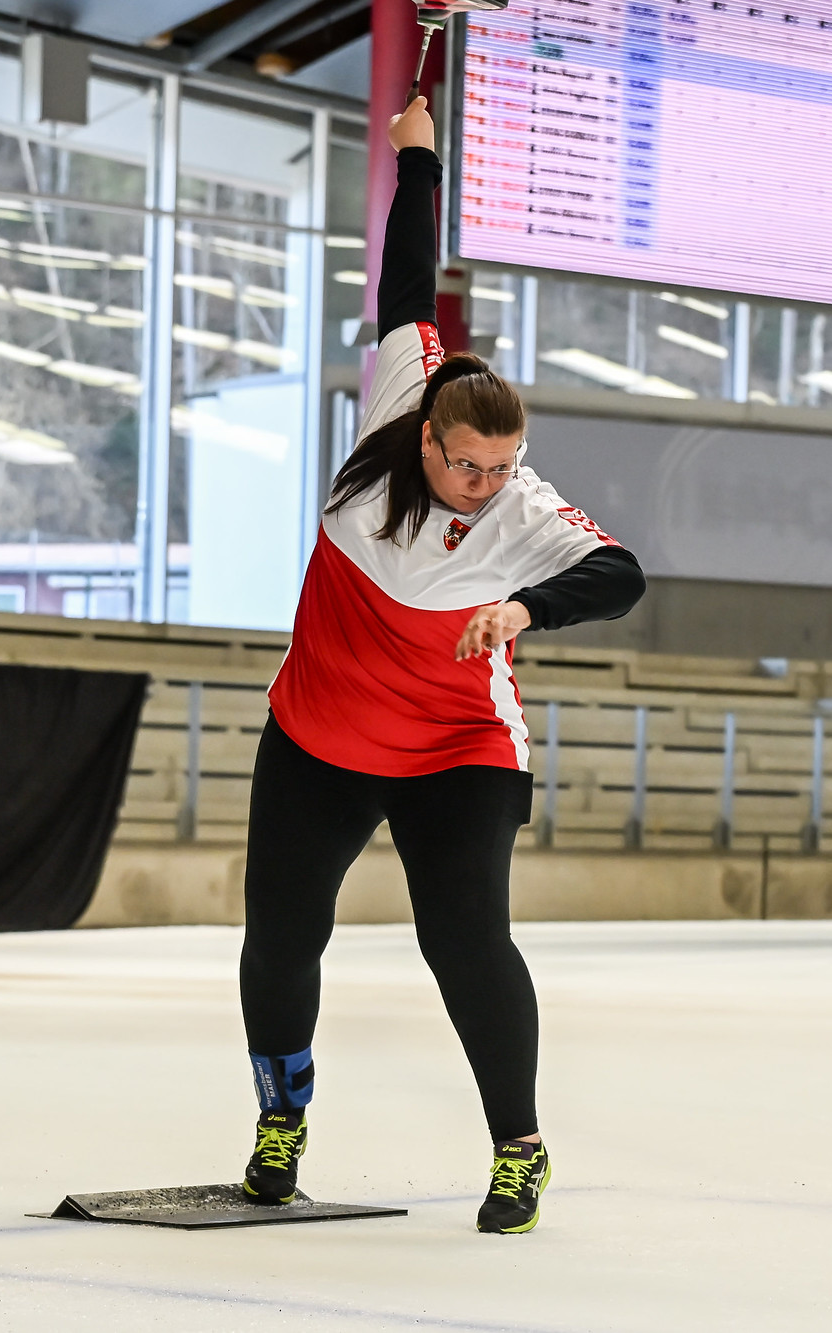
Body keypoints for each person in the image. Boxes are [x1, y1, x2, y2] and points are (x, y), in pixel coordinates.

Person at [236, 95, 645, 1236]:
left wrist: (523, 606)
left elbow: (622, 576)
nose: (486, 483)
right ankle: (281, 1119)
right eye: (468, 464)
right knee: (280, 935)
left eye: (502, 466)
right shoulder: (401, 400)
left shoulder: (522, 510)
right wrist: (415, 160)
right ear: (428, 436)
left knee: (462, 938)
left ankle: (518, 1149)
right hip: (318, 734)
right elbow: (405, 285)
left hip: (455, 749)